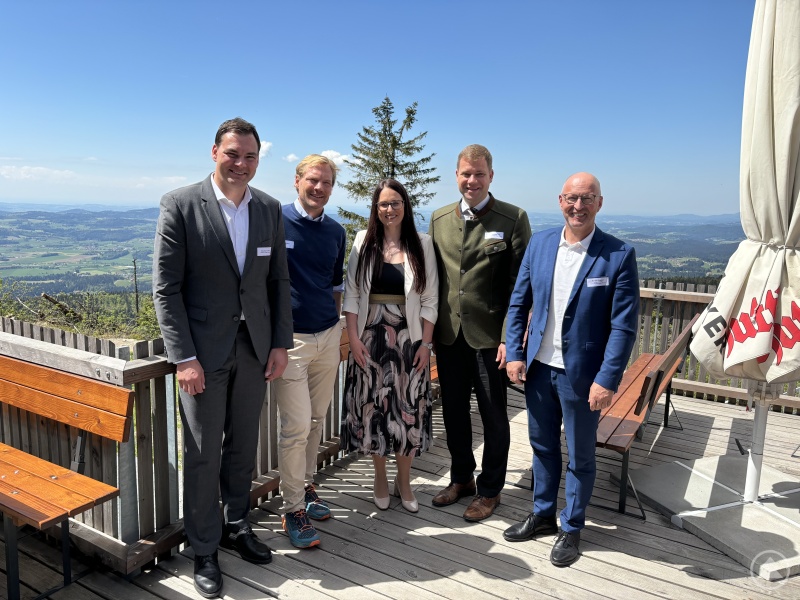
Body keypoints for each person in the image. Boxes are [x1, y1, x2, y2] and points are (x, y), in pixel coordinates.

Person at [152, 118, 292, 598]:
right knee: (202, 452)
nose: (241, 164)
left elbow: (278, 283)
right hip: (202, 355)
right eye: (233, 154)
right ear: (214, 152)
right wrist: (183, 357)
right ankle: (204, 547)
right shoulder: (181, 204)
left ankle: (237, 526)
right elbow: (166, 289)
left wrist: (278, 343)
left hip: (254, 349)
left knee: (241, 447)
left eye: (250, 156)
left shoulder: (269, 208)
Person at [503, 172, 639, 567]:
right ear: (560, 200)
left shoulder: (618, 253)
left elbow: (624, 326)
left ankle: (571, 526)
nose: (577, 206)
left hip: (583, 377)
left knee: (580, 456)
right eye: (571, 199)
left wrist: (607, 379)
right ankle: (544, 514)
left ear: (599, 203)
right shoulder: (541, 243)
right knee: (542, 447)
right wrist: (515, 352)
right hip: (540, 369)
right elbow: (518, 303)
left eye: (587, 199)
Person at [428, 144, 531, 522]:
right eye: (465, 174)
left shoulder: (512, 217)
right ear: (456, 176)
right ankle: (461, 480)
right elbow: (433, 280)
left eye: (479, 174)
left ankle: (490, 490)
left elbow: (523, 285)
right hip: (449, 336)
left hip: (491, 340)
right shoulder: (439, 218)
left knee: (494, 418)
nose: (472, 180)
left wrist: (510, 336)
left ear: (491, 176)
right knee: (454, 413)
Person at [341, 178, 438, 513]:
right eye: (383, 204)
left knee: (408, 410)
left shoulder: (421, 244)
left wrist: (426, 343)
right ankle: (380, 476)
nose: (389, 209)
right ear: (376, 209)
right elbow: (352, 295)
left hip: (409, 339)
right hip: (370, 338)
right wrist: (353, 338)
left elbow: (430, 299)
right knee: (374, 411)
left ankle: (405, 480)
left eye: (395, 202)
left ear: (405, 206)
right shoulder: (363, 241)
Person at [272, 154, 346, 548]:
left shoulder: (336, 231)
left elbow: (335, 284)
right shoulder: (273, 220)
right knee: (296, 427)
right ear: (297, 180)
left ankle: (306, 486)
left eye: (326, 183)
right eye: (312, 180)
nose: (319, 188)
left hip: (327, 337)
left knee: (317, 420)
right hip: (290, 342)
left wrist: (332, 327)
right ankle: (292, 510)